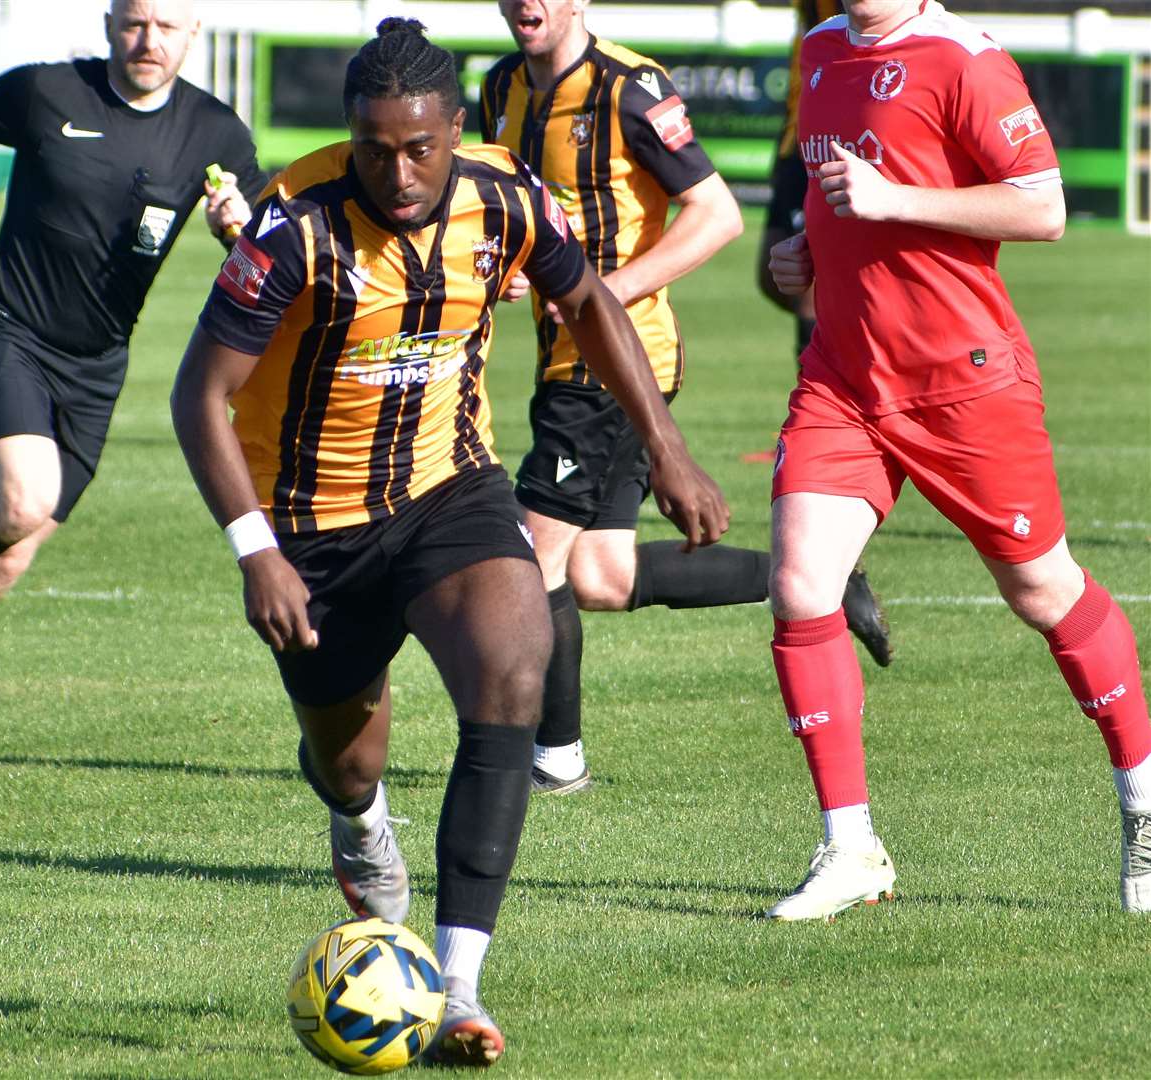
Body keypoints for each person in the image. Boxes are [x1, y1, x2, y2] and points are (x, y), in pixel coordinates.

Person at [170, 18, 726, 1065]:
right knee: (349, 760)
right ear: (350, 135)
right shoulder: (292, 225)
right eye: (376, 147)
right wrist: (254, 550)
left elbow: (589, 302)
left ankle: (459, 989)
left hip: (446, 492)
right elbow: (199, 396)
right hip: (310, 531)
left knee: (513, 672)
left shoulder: (503, 193)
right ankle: (357, 821)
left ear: (451, 129)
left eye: (419, 145)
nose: (400, 169)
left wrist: (665, 446)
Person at [763, 0, 1150, 920]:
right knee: (801, 586)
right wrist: (803, 251)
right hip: (846, 379)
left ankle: (1144, 796)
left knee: (1042, 590)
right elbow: (834, 193)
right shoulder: (819, 50)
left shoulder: (967, 60)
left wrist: (896, 200)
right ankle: (849, 846)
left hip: (964, 382)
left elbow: (1044, 206)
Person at [482, 0, 890, 795]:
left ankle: (555, 761)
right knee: (598, 574)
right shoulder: (503, 88)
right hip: (560, 357)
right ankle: (826, 583)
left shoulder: (630, 89)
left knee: (533, 558)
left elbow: (718, 213)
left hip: (618, 362)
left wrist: (607, 293)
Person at [0, 0, 264, 743]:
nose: (149, 41)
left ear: (194, 34)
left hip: (97, 369)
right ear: (111, 20)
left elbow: (269, 244)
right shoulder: (47, 91)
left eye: (168, 27)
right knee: (21, 502)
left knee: (7, 563)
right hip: (6, 330)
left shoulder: (216, 133)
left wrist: (233, 229)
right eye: (137, 22)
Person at [756, 0, 841, 366]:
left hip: (832, 133)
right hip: (797, 133)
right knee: (772, 275)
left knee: (811, 277)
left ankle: (820, 399)